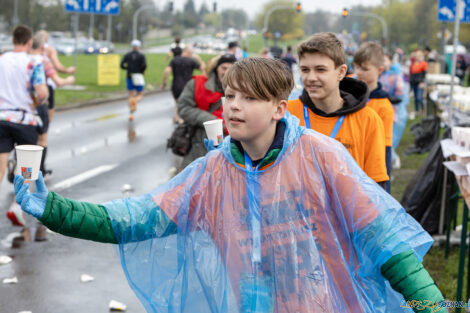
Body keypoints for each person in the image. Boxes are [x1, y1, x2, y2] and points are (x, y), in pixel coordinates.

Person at [14, 57, 445, 313]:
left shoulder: (321, 157)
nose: (234, 106)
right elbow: (130, 220)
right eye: (230, 95)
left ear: (279, 107)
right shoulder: (211, 173)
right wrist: (50, 207)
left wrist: (432, 306)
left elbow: (386, 242)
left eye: (250, 98)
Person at [287, 32, 389, 189]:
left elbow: (377, 188)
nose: (311, 77)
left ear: (341, 72)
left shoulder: (368, 120)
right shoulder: (287, 114)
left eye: (320, 70)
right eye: (305, 70)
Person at [0, 25, 48, 226]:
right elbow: (42, 92)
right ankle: (18, 206)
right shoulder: (32, 62)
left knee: (0, 165)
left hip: (2, 117)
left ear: (13, 41)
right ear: (29, 42)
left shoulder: (2, 59)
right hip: (25, 120)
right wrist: (36, 100)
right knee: (27, 166)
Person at [177, 53, 236, 170]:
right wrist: (211, 120)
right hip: (198, 147)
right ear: (216, 68)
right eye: (224, 68)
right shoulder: (196, 84)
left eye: (232, 68)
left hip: (232, 150)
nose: (227, 72)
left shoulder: (245, 90)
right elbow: (183, 108)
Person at [29, 33, 75, 178]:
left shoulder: (18, 59)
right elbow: (48, 88)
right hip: (37, 103)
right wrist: (69, 78)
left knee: (23, 143)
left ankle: (18, 169)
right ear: (42, 46)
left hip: (14, 109)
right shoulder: (42, 61)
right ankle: (38, 171)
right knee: (41, 138)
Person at [353, 42, 394, 193]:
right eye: (356, 67)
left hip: (369, 159)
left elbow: (384, 147)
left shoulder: (384, 106)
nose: (359, 72)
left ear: (380, 70)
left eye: (365, 68)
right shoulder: (348, 91)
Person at [162, 46, 205, 124]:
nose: (192, 55)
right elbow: (204, 68)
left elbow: (167, 71)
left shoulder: (174, 60)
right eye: (191, 53)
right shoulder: (191, 61)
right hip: (187, 87)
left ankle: (176, 118)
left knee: (178, 103)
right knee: (184, 105)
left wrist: (164, 83)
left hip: (175, 85)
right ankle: (180, 121)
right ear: (188, 52)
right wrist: (199, 59)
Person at [380, 52, 409, 169]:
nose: (383, 63)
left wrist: (389, 98)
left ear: (391, 62)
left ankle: (392, 159)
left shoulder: (396, 75)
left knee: (389, 139)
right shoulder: (380, 74)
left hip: (394, 112)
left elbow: (400, 94)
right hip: (380, 111)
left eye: (385, 60)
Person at [120, 39, 147, 120]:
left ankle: (131, 115)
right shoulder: (141, 55)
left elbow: (121, 65)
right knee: (140, 94)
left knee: (130, 95)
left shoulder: (127, 55)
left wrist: (127, 68)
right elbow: (144, 65)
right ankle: (135, 100)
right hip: (138, 75)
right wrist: (141, 71)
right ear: (139, 47)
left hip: (129, 76)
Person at [409, 50, 427, 119]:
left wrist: (422, 82)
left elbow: (424, 74)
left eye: (418, 56)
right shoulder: (413, 64)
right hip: (414, 82)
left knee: (419, 98)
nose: (417, 57)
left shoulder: (423, 64)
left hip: (420, 83)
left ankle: (424, 109)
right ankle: (417, 111)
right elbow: (412, 74)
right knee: (416, 98)